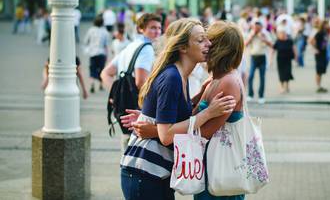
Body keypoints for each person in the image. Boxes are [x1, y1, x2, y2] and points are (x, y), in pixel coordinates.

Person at [119, 18, 236, 200]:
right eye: (200, 40)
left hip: (156, 175)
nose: (209, 44)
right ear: (183, 48)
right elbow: (166, 135)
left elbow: (175, 116)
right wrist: (208, 113)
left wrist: (150, 118)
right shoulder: (172, 77)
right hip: (144, 174)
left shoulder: (181, 76)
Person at [193, 20, 246, 200]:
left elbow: (205, 132)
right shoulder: (215, 78)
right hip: (210, 167)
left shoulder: (228, 82)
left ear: (219, 48)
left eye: (207, 41)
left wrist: (161, 132)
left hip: (221, 172)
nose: (204, 45)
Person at [101, 13, 162, 151]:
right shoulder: (146, 49)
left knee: (126, 148)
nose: (157, 31)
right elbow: (141, 82)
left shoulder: (130, 47)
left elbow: (105, 73)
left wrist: (115, 94)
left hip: (123, 108)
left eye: (159, 28)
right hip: (137, 108)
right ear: (141, 29)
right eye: (152, 28)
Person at [245, 20, 272, 103]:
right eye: (255, 27)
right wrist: (252, 36)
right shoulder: (251, 33)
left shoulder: (265, 33)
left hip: (262, 57)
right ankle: (250, 94)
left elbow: (271, 44)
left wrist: (263, 39)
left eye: (258, 27)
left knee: (262, 77)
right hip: (253, 57)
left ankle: (261, 96)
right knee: (250, 76)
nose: (256, 29)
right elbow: (245, 44)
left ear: (261, 27)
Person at [83, 14, 111, 93]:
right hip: (102, 53)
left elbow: (85, 41)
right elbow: (106, 45)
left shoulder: (91, 30)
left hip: (92, 53)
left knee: (92, 69)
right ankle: (101, 85)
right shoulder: (105, 31)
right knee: (101, 69)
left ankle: (92, 84)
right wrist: (107, 55)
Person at [272, 26, 296, 93]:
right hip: (280, 60)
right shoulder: (278, 41)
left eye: (283, 33)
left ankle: (287, 86)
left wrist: (296, 57)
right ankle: (282, 87)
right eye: (280, 33)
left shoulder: (289, 41)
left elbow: (294, 48)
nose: (282, 35)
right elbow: (273, 50)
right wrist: (271, 60)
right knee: (281, 73)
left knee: (288, 72)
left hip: (288, 59)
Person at [310, 19, 329, 93]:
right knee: (318, 70)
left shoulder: (325, 32)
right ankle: (318, 86)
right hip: (319, 53)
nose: (328, 25)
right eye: (327, 24)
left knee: (321, 70)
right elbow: (311, 40)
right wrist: (315, 49)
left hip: (323, 52)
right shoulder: (319, 33)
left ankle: (320, 85)